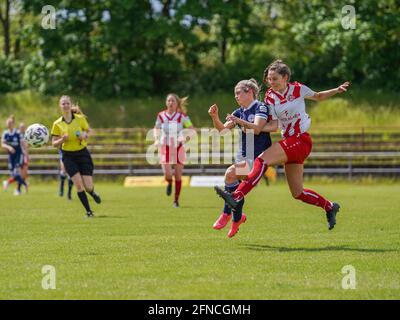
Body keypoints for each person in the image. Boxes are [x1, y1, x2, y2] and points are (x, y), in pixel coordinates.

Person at [215, 59, 350, 231]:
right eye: (269, 79)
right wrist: (252, 126)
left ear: (285, 77)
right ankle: (330, 206)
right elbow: (274, 125)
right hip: (290, 142)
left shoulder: (298, 89)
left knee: (261, 161)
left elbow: (318, 96)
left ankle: (237, 195)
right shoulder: (270, 97)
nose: (271, 83)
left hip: (301, 140)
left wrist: (336, 90)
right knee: (298, 193)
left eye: (275, 79)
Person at [209, 79, 277, 237]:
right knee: (233, 185)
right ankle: (237, 218)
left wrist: (239, 121)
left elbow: (258, 128)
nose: (236, 96)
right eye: (235, 94)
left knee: (230, 174)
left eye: (238, 92)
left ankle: (227, 214)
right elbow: (223, 131)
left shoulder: (260, 107)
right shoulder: (238, 111)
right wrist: (215, 117)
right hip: (245, 156)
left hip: (260, 157)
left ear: (250, 92)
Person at [51, 95, 101, 217]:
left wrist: (83, 135)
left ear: (70, 104)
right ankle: (89, 211)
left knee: (88, 186)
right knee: (78, 185)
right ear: (60, 106)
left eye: (67, 103)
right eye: (63, 103)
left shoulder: (80, 119)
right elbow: (54, 143)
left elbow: (89, 131)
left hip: (82, 154)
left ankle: (92, 192)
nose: (66, 105)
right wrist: (62, 140)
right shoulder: (57, 124)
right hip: (68, 156)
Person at [154, 93, 194, 207]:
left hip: (179, 147)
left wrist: (185, 138)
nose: (170, 103)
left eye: (173, 101)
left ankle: (176, 200)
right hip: (165, 146)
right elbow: (156, 128)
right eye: (168, 101)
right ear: (166, 103)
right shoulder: (161, 115)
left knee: (177, 174)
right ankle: (169, 182)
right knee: (167, 174)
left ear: (177, 103)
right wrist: (156, 139)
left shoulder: (182, 116)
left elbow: (191, 129)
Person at [1, 115, 28, 195]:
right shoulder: (5, 133)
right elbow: (2, 144)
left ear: (13, 124)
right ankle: (25, 184)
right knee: (13, 174)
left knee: (17, 171)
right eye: (8, 123)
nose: (9, 124)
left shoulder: (17, 133)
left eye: (10, 123)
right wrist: (9, 147)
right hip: (11, 156)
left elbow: (23, 143)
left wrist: (26, 154)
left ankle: (18, 189)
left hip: (18, 155)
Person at [18, 122, 30, 187]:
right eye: (21, 127)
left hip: (24, 156)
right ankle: (22, 186)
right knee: (20, 173)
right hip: (18, 156)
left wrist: (27, 155)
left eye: (23, 127)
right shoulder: (17, 135)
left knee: (24, 173)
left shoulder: (26, 136)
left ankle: (24, 185)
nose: (22, 129)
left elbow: (26, 147)